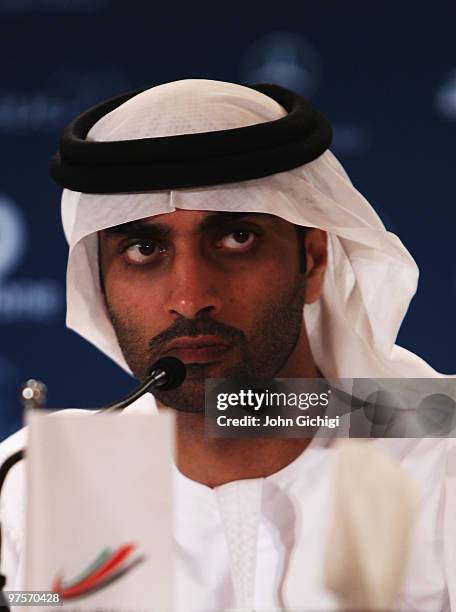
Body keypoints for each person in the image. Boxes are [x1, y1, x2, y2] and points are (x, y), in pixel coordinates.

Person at [0, 79, 454, 611]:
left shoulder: (439, 452)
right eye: (144, 248)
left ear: (313, 259)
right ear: (99, 284)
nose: (191, 299)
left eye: (237, 237)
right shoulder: (32, 483)